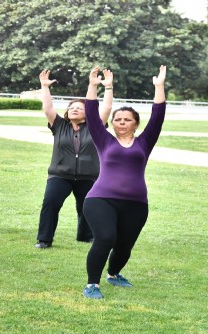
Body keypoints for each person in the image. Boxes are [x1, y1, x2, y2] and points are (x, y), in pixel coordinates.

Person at [81, 65, 167, 299]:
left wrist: (159, 87)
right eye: (117, 119)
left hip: (136, 203)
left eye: (126, 119)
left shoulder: (144, 143)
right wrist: (93, 86)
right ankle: (92, 284)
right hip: (100, 199)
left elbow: (158, 117)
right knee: (106, 237)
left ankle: (113, 273)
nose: (121, 122)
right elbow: (91, 113)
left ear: (135, 124)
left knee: (124, 246)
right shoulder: (104, 140)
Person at [34, 69, 113, 249]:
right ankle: (44, 240)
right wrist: (45, 87)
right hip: (60, 175)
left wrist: (107, 87)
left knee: (87, 208)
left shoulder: (95, 127)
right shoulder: (59, 125)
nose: (74, 109)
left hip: (88, 176)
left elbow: (107, 108)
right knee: (50, 204)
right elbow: (48, 108)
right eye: (71, 107)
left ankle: (86, 236)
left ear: (87, 114)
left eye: (80, 108)